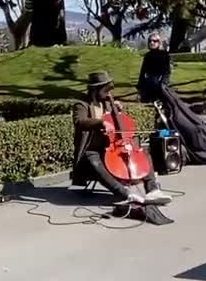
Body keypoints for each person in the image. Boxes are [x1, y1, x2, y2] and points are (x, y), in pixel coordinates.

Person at [71, 71, 173, 205]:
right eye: (105, 90)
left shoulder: (107, 103)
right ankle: (126, 194)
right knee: (91, 158)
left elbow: (122, 126)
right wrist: (100, 122)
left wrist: (119, 111)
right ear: (95, 89)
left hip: (112, 148)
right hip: (93, 151)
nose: (108, 93)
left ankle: (152, 190)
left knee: (141, 151)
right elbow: (80, 122)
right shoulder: (82, 105)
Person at [136, 32, 171, 103]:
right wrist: (139, 87)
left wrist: (164, 83)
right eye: (150, 41)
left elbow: (167, 71)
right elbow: (142, 72)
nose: (152, 43)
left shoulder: (164, 55)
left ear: (159, 42)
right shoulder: (147, 56)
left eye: (155, 41)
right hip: (149, 82)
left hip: (160, 83)